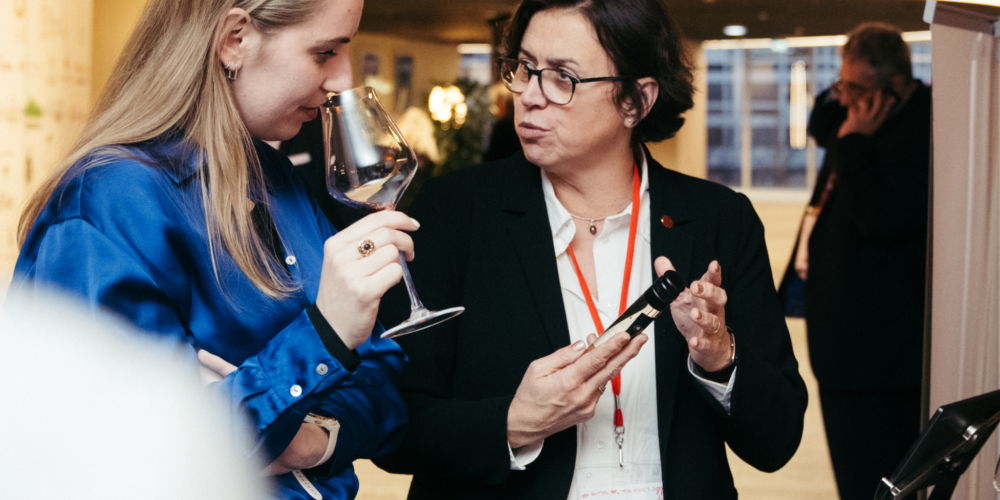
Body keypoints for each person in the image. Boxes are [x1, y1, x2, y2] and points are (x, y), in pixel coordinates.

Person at [373, 0, 808, 498]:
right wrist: (515, 422)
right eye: (524, 68)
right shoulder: (455, 213)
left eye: (562, 77)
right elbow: (391, 426)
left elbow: (777, 441)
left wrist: (720, 357)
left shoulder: (718, 221)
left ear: (636, 101)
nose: (529, 96)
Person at [6, 1, 415, 498]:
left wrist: (309, 441)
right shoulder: (111, 199)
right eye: (324, 52)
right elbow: (130, 453)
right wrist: (324, 339)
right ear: (235, 39)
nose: (341, 80)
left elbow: (388, 386)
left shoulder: (277, 179)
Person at [794, 22, 930, 500]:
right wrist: (851, 126)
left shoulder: (923, 130)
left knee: (878, 483)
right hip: (843, 347)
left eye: (855, 88)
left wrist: (855, 145)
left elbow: (881, 217)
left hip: (880, 358)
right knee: (853, 479)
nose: (842, 97)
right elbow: (819, 124)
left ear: (892, 88)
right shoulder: (854, 117)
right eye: (841, 83)